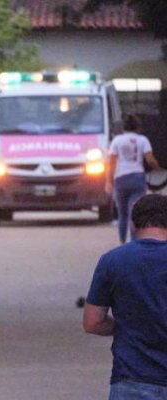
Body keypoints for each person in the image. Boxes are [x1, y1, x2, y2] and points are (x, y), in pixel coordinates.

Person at [83, 193, 167, 399]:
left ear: (132, 222)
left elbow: (92, 322)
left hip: (131, 378)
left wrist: (126, 326)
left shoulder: (113, 261)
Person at [105, 113, 161, 243]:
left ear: (124, 127)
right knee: (135, 213)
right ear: (137, 127)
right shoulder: (143, 140)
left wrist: (108, 181)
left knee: (122, 214)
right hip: (137, 178)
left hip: (121, 179)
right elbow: (150, 159)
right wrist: (157, 168)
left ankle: (122, 242)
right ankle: (134, 242)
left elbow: (111, 163)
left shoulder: (117, 140)